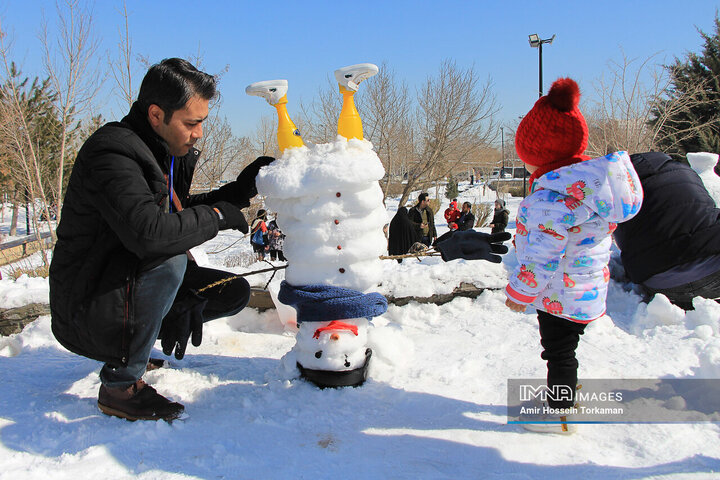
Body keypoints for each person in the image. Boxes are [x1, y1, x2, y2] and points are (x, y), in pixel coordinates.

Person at [49, 58, 275, 421]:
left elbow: (177, 212)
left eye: (202, 121)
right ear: (156, 114)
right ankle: (120, 386)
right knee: (168, 258)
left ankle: (137, 339)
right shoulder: (112, 152)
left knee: (229, 290)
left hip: (122, 284)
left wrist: (237, 192)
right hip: (85, 303)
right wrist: (217, 217)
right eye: (192, 123)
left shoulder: (163, 152)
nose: (199, 132)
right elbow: (148, 233)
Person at [502, 78, 642, 434]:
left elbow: (541, 255)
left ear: (537, 153)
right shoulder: (591, 189)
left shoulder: (550, 200)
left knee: (558, 353)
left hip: (560, 295)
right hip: (584, 291)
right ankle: (564, 395)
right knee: (566, 351)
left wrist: (520, 292)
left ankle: (560, 412)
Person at [614, 151, 720, 310]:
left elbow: (624, 242)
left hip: (660, 284)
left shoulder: (619, 193)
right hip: (714, 269)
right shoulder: (685, 173)